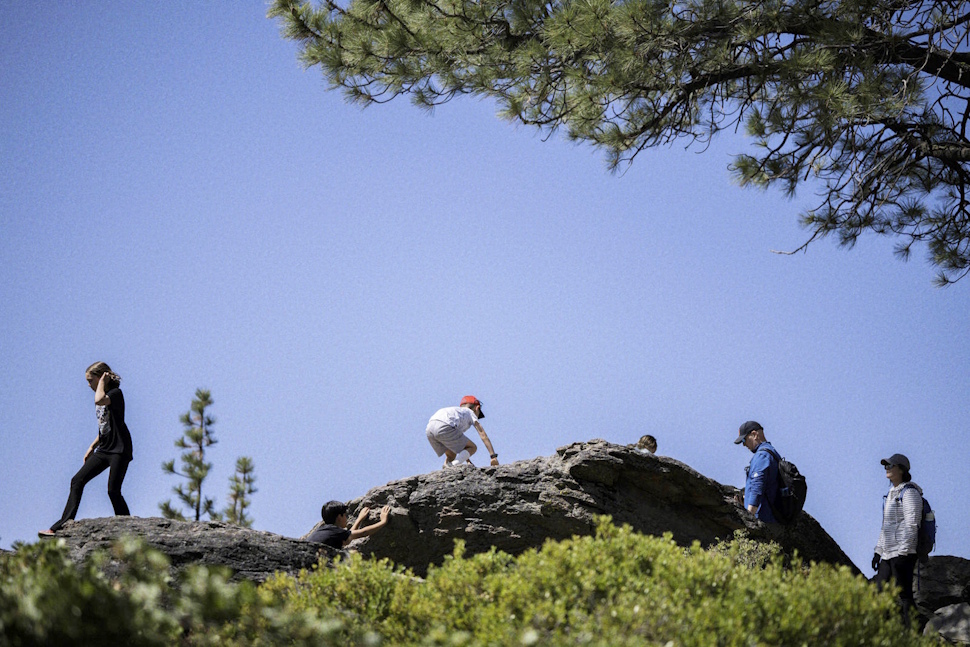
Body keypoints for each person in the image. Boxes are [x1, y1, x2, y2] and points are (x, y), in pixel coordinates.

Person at [39, 362, 134, 536]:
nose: (89, 385)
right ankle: (61, 525)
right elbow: (106, 426)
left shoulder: (115, 394)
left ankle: (128, 531)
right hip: (105, 448)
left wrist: (102, 385)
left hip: (120, 449)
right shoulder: (104, 395)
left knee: (113, 491)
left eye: (91, 381)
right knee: (77, 480)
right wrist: (92, 446)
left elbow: (99, 399)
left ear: (101, 377)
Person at [872, 453, 922, 627]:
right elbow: (886, 526)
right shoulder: (891, 493)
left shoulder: (910, 492)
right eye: (885, 466)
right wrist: (878, 552)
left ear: (901, 469)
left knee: (904, 594)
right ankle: (885, 630)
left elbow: (912, 522)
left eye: (890, 466)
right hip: (887, 553)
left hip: (903, 552)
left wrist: (904, 551)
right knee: (879, 592)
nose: (887, 469)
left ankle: (913, 634)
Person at [425, 396, 499, 468]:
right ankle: (453, 466)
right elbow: (483, 435)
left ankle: (445, 468)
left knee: (451, 454)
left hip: (429, 429)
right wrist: (493, 457)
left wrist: (467, 461)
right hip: (445, 426)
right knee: (473, 447)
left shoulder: (456, 412)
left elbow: (461, 447)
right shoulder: (470, 412)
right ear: (477, 408)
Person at [733, 420, 781, 523]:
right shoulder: (773, 453)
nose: (744, 445)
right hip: (774, 517)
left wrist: (749, 516)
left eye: (744, 440)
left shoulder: (762, 456)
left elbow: (757, 485)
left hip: (763, 519)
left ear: (754, 434)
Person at [307, 501, 391, 549]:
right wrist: (383, 521)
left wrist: (359, 519)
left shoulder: (324, 530)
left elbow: (348, 537)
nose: (347, 518)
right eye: (345, 515)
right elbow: (363, 533)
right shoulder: (335, 531)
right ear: (339, 517)